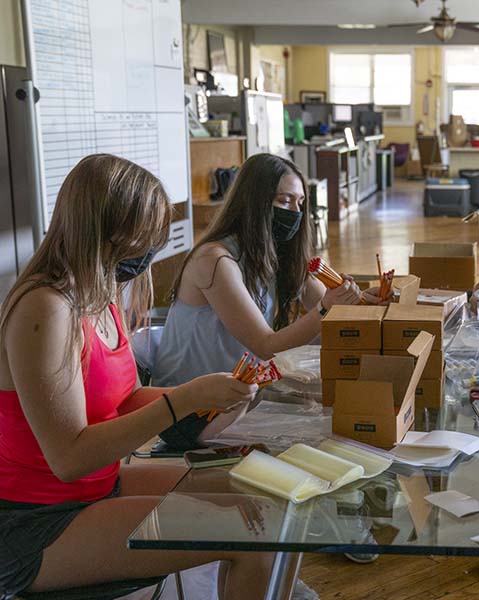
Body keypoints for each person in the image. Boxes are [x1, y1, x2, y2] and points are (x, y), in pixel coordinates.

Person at [0, 155, 276, 599]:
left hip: (98, 488)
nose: (152, 250)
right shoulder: (45, 309)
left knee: (262, 498)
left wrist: (212, 396)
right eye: (144, 236)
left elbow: (123, 400)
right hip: (35, 520)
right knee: (251, 531)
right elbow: (69, 460)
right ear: (107, 231)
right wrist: (182, 401)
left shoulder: (98, 293)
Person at [154, 153, 378, 391]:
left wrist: (361, 304)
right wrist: (326, 308)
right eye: (284, 201)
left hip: (240, 390)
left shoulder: (278, 252)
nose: (295, 212)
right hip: (191, 399)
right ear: (254, 203)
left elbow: (329, 322)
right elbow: (266, 345)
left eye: (299, 203)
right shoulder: (215, 260)